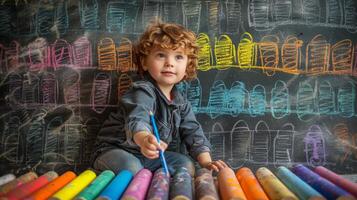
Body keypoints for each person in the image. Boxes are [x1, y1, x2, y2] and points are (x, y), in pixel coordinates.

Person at [92, 19, 227, 177]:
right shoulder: (142, 91)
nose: (169, 63)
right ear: (144, 62)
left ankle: (147, 178)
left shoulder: (181, 102)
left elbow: (193, 131)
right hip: (114, 151)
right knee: (132, 168)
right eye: (161, 55)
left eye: (178, 57)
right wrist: (144, 139)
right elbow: (138, 118)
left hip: (149, 157)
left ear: (188, 66)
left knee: (186, 165)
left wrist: (206, 162)